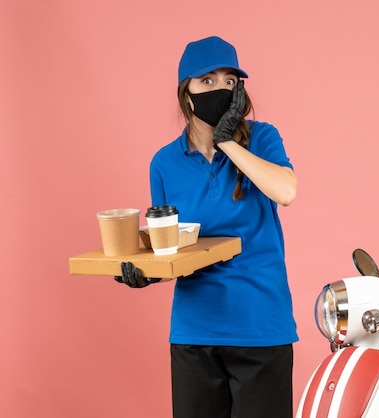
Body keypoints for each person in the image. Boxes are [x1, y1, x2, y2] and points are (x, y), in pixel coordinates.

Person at [115, 35, 298, 418]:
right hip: (194, 336)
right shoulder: (164, 163)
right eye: (207, 81)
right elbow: (174, 247)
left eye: (229, 81)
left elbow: (285, 191)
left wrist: (227, 141)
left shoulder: (262, 138)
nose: (220, 89)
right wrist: (150, 273)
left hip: (260, 328)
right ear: (186, 94)